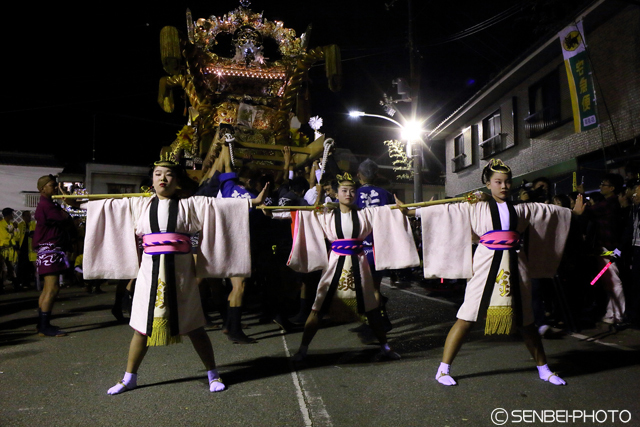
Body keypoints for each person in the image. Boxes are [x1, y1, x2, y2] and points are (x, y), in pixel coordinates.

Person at [82, 154, 268, 395]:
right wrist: (88, 205)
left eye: (168, 174)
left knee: (195, 326)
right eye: (158, 174)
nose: (163, 178)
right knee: (142, 327)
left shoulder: (189, 204)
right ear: (152, 179)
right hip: (149, 272)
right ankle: (129, 378)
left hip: (181, 273)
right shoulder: (139, 204)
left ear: (177, 180)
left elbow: (218, 207)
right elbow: (110, 207)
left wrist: (252, 203)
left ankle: (213, 375)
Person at [400, 159, 572, 386]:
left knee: (526, 320)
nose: (504, 186)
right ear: (487, 184)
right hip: (486, 263)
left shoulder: (521, 208)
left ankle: (544, 369)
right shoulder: (475, 206)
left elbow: (548, 212)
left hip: (515, 264)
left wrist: (572, 213)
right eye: (498, 182)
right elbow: (447, 213)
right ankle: (443, 369)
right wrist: (413, 211)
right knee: (467, 318)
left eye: (507, 182)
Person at [287, 172, 420, 361]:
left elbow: (389, 213)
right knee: (318, 307)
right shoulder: (326, 214)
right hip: (334, 264)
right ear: (337, 193)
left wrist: (405, 209)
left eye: (351, 190)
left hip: (359, 263)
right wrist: (275, 213)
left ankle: (385, 347)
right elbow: (300, 216)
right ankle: (302, 349)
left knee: (372, 309)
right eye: (344, 190)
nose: (348, 194)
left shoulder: (367, 213)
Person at [573, 173, 626, 324]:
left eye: (604, 184)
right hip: (609, 247)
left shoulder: (610, 203)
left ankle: (618, 314)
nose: (600, 186)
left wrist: (581, 194)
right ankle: (612, 312)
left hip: (608, 248)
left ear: (612, 188)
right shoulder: (611, 203)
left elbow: (588, 211)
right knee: (608, 281)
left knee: (613, 281)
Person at [33, 176, 78, 337]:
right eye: (52, 185)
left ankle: (42, 324)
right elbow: (66, 218)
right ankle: (44, 326)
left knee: (47, 288)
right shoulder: (47, 206)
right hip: (50, 249)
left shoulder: (47, 205)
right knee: (52, 288)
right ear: (42, 188)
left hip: (47, 249)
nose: (54, 188)